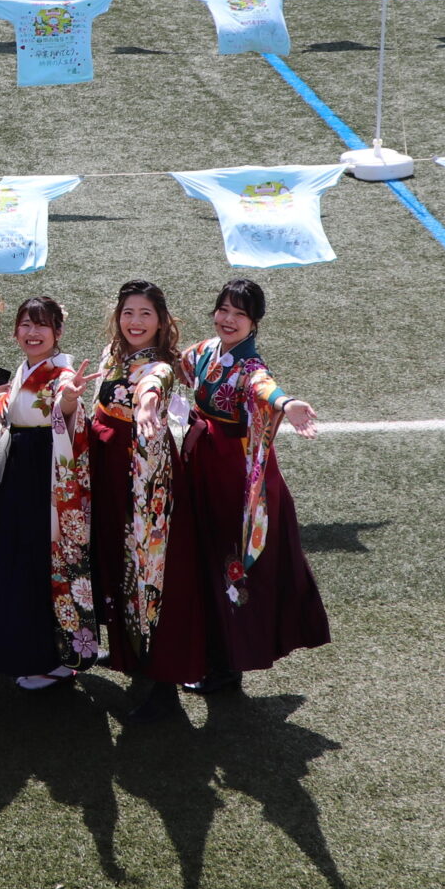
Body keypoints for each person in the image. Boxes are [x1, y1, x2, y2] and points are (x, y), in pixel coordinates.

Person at [170, 278, 329, 693]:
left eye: (240, 314)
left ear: (254, 323)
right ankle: (212, 654)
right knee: (205, 557)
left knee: (230, 562)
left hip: (234, 476)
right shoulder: (206, 351)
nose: (229, 319)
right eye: (224, 310)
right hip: (204, 462)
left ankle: (228, 666)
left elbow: (265, 388)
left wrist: (286, 404)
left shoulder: (249, 366)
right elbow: (176, 364)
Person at [0, 295, 85, 689]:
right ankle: (21, 649)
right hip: (20, 467)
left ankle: (56, 658)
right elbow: (5, 408)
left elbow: (66, 401)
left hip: (45, 472)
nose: (32, 333)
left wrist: (68, 397)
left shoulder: (61, 370)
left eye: (42, 325)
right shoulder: (25, 368)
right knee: (15, 558)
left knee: (40, 560)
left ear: (58, 333)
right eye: (26, 325)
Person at [85, 280, 187, 723]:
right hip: (112, 473)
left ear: (161, 321)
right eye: (129, 312)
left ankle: (163, 686)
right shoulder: (114, 353)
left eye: (146, 314)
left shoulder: (158, 365)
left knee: (149, 571)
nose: (136, 322)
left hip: (143, 480)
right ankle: (131, 655)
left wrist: (147, 406)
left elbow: (154, 386)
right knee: (119, 563)